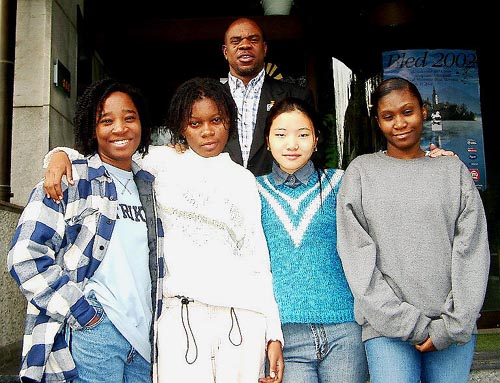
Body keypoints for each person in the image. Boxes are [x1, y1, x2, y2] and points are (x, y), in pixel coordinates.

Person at [42, 77, 284, 383]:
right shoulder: (160, 163)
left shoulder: (245, 180)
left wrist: (273, 334)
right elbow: (110, 150)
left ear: (229, 122)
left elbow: (258, 261)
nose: (207, 131)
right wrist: (60, 155)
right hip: (179, 320)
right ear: (181, 127)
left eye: (216, 120)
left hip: (242, 321)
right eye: (195, 123)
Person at [7, 78, 164, 383]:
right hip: (96, 333)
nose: (120, 128)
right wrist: (83, 314)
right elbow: (24, 257)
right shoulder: (71, 180)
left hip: (144, 341)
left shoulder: (151, 184)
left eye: (129, 118)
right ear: (92, 129)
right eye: (107, 121)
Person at [336, 77, 490, 383]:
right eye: (388, 116)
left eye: (407, 112)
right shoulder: (361, 173)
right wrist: (408, 323)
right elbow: (357, 259)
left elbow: (472, 251)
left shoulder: (452, 171)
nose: (399, 123)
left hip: (453, 325)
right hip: (386, 328)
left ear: (423, 110)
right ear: (377, 122)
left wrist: (453, 323)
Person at [256, 96, 368, 382]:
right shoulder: (251, 189)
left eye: (303, 134)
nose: (292, 144)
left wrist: (431, 160)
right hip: (285, 337)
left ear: (316, 139)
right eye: (280, 135)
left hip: (345, 330)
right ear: (267, 141)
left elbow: (390, 194)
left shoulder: (342, 182)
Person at [222, 17, 315, 176]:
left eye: (253, 40)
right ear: (225, 52)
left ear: (264, 48)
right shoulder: (210, 98)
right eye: (236, 41)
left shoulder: (296, 95)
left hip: (279, 192)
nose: (245, 45)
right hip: (222, 192)